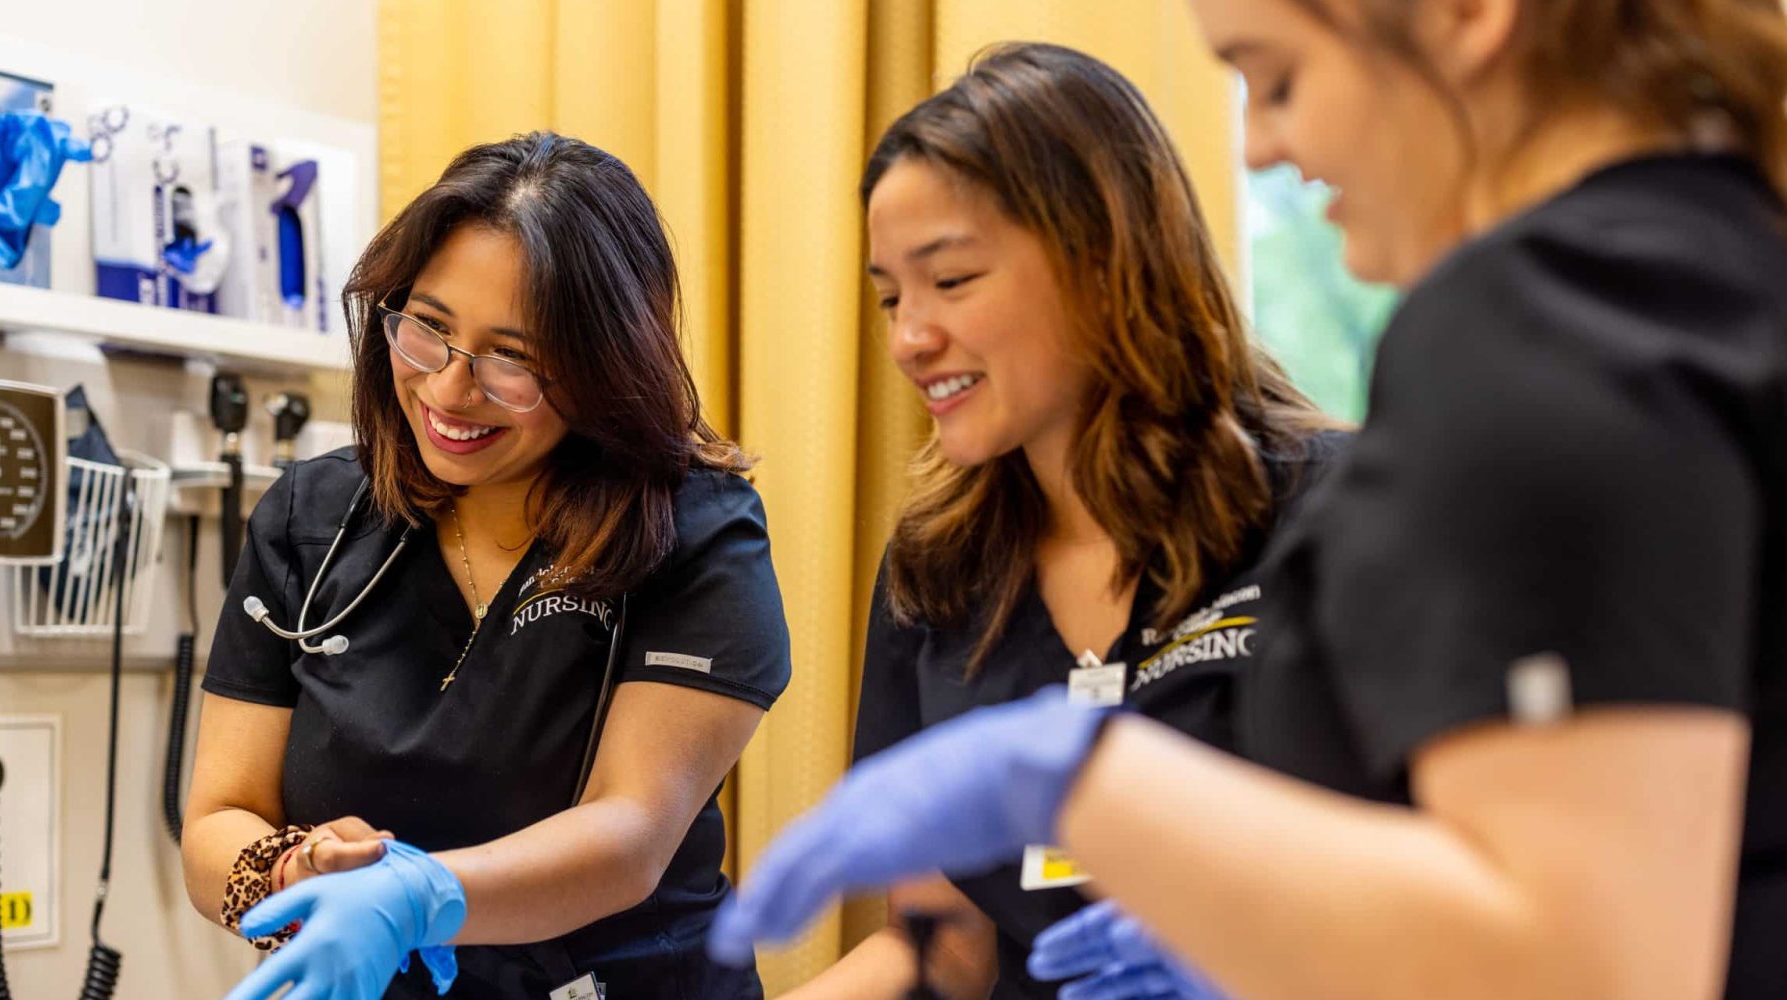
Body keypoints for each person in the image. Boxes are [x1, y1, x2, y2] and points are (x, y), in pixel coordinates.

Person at [710, 2, 1787, 999]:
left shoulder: (1536, 331)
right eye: (890, 296)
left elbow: (1583, 962)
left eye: (1273, 80)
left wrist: (1088, 787)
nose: (1262, 146)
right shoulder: (1713, 272)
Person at [781, 43, 1344, 1000]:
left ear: (1103, 259)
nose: (909, 337)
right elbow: (942, 951)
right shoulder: (936, 573)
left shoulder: (1332, 513)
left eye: (950, 281)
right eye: (889, 296)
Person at [182, 131, 791, 1000]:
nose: (448, 390)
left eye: (513, 359)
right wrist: (295, 868)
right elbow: (216, 819)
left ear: (603, 365)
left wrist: (415, 896)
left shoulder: (693, 530)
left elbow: (630, 835)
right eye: (427, 329)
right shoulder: (309, 519)